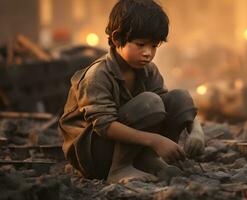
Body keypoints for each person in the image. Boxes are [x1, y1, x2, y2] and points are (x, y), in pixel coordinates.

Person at [58, 0, 205, 183]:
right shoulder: (97, 75)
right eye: (141, 45)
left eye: (153, 46)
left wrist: (196, 130)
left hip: (133, 147)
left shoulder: (148, 70)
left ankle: (147, 160)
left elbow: (170, 104)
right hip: (95, 155)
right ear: (117, 38)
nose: (148, 53)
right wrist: (155, 141)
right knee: (150, 102)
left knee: (179, 97)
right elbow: (104, 126)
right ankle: (119, 169)